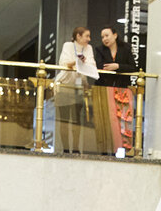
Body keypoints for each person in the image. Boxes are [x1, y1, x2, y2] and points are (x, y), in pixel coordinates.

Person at [93, 25, 137, 155]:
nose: (104, 39)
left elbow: (133, 67)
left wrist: (117, 66)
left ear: (115, 35)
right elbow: (100, 66)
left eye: (107, 35)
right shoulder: (100, 50)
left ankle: (124, 149)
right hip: (104, 89)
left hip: (122, 90)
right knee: (107, 120)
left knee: (122, 121)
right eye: (102, 37)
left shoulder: (126, 48)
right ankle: (106, 150)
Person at [55, 26, 96, 154]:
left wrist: (81, 62)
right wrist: (77, 61)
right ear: (78, 36)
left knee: (77, 119)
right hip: (65, 84)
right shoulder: (68, 45)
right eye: (86, 36)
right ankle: (66, 148)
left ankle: (76, 148)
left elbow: (92, 65)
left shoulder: (88, 48)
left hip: (79, 85)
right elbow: (64, 63)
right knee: (64, 120)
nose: (89, 39)